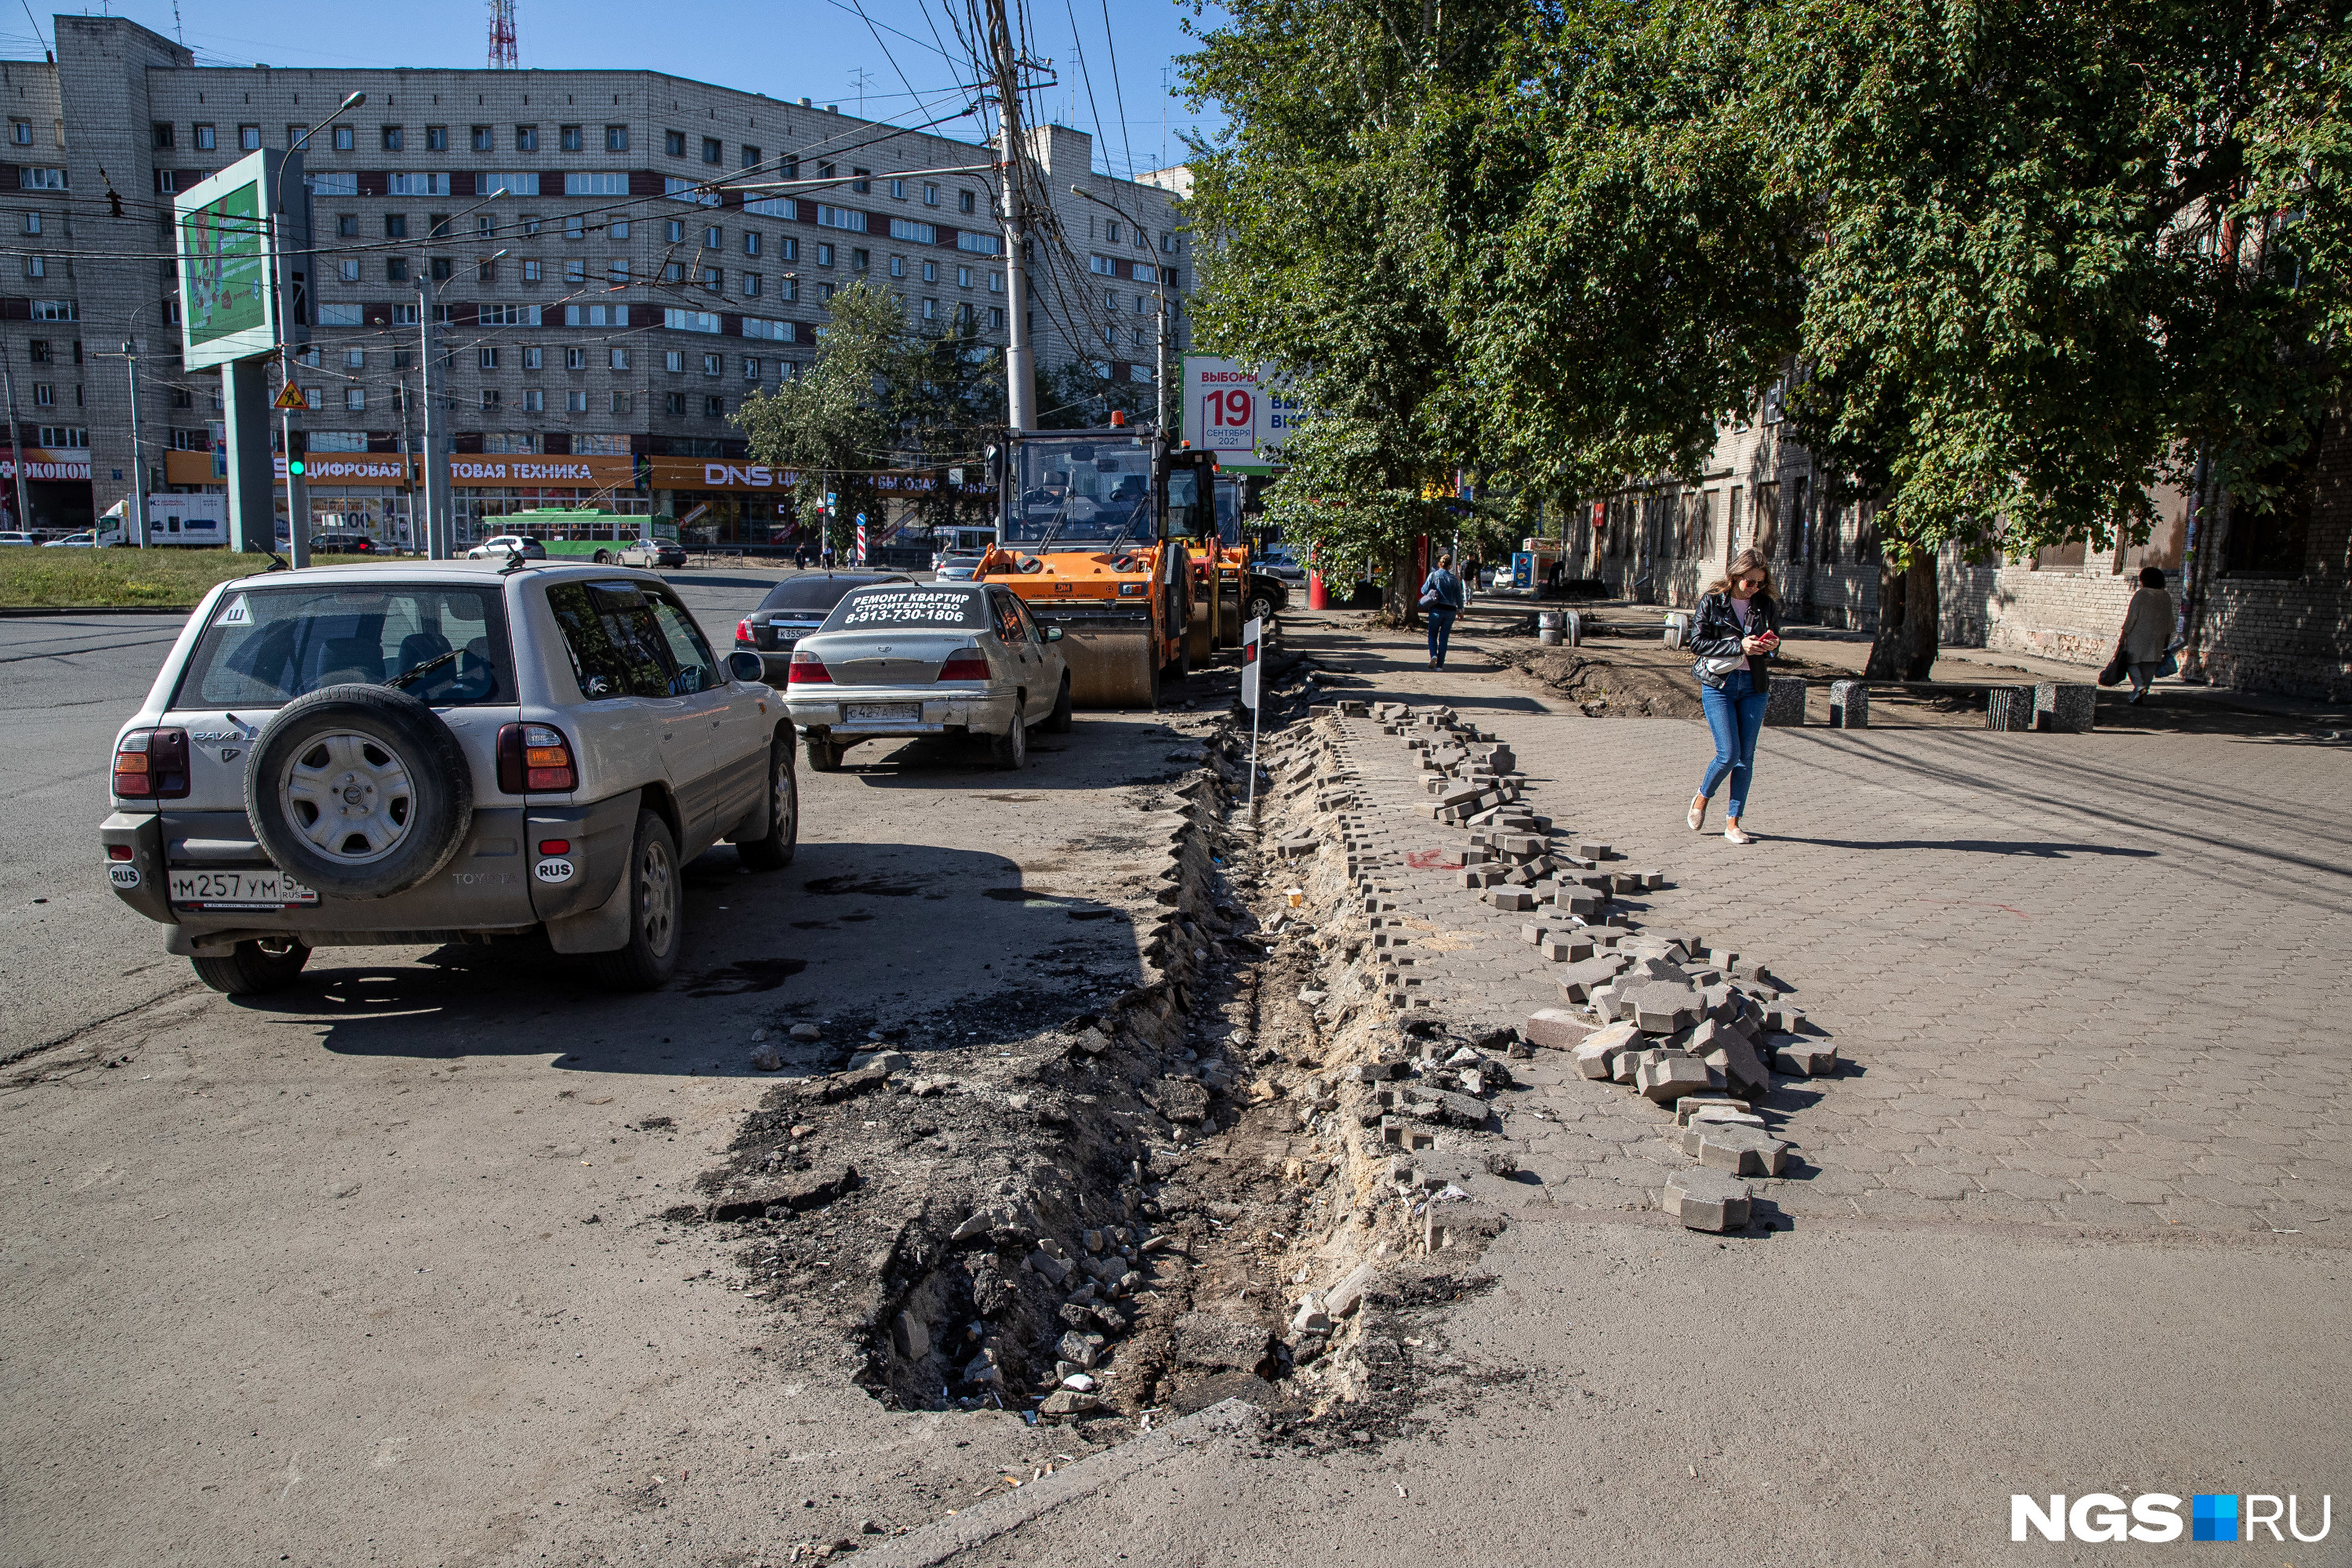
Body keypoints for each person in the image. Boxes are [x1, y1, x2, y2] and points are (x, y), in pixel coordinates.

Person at [1686, 549, 1781, 845]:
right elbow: (1697, 642)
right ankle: (1702, 796)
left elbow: (1775, 645)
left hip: (1754, 685)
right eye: (1749, 582)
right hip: (1720, 685)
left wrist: (1772, 646)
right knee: (1728, 754)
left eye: (1759, 584)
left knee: (1745, 758)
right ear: (1735, 575)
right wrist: (1739, 646)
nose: (1754, 588)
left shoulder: (1765, 605)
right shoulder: (1713, 601)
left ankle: (1733, 823)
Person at [2115, 565, 2175, 704]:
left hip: (2138, 635)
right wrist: (2167, 637)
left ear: (2144, 580)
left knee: (2131, 663)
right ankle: (2139, 694)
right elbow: (2169, 619)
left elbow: (2132, 617)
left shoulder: (2141, 594)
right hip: (2158, 637)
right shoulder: (2166, 596)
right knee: (2150, 666)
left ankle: (2139, 686)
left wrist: (2123, 636)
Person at [1419, 553, 1468, 669]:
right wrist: (1461, 611)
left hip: (1436, 609)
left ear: (1440, 564)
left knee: (1432, 634)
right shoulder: (1454, 579)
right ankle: (1440, 666)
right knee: (1444, 638)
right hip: (1450, 611)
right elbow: (1459, 596)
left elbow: (1424, 590)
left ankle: (1433, 655)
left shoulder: (1433, 575)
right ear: (1450, 566)